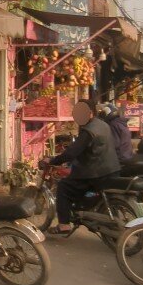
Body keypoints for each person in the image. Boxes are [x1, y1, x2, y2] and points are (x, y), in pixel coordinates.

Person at [40, 99, 121, 235]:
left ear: (90, 113)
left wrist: (55, 160)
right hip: (112, 169)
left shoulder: (88, 131)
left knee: (64, 187)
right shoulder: (103, 125)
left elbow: (71, 153)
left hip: (96, 172)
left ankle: (64, 224)